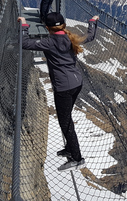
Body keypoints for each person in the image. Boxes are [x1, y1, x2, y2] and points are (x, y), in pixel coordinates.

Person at [18, 12, 99, 171]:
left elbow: (24, 43)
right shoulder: (71, 38)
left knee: (66, 122)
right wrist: (92, 22)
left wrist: (23, 25)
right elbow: (90, 36)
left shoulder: (48, 42)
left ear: (47, 28)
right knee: (66, 118)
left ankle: (77, 158)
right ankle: (70, 149)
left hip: (63, 87)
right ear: (64, 25)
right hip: (76, 83)